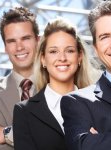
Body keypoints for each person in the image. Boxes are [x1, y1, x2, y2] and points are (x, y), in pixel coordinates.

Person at [13, 17, 99, 150]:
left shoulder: (100, 104)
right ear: (43, 59)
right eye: (53, 51)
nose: (62, 58)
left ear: (79, 56)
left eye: (69, 50)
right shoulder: (24, 112)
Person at [60, 1, 111, 150]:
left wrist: (104, 140)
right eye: (105, 37)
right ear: (95, 49)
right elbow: (84, 146)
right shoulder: (77, 102)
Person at [0, 7, 39, 150]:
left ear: (38, 40)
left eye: (25, 38)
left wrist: (9, 135)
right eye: (11, 41)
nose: (19, 47)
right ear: (5, 47)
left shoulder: (59, 88)